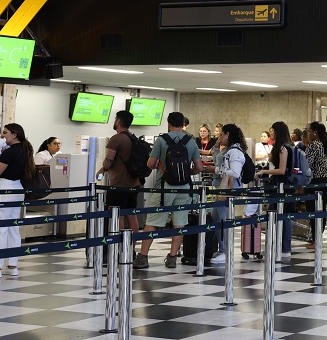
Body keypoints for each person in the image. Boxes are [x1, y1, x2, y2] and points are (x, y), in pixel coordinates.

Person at [135, 111, 202, 270]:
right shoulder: (190, 141)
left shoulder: (162, 140)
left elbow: (150, 164)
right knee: (179, 223)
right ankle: (172, 258)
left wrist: (160, 165)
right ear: (183, 124)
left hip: (163, 188)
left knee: (152, 222)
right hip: (184, 189)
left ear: (169, 124)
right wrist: (187, 173)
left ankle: (143, 257)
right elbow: (199, 167)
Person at [0, 123, 36, 279]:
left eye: (5, 133)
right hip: (18, 189)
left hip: (3, 188)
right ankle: (12, 265)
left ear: (14, 135)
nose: (2, 135)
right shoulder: (26, 151)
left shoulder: (10, 152)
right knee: (13, 227)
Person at [96, 111, 141, 248]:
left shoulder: (116, 139)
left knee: (118, 216)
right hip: (134, 183)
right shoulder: (134, 138)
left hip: (119, 184)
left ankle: (119, 248)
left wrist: (103, 169)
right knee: (132, 216)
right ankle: (131, 248)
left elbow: (109, 160)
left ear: (119, 121)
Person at [257, 121, 296, 260]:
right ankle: (278, 245)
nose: (270, 133)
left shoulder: (283, 148)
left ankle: (284, 247)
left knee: (281, 216)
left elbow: (282, 170)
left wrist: (264, 171)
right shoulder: (286, 146)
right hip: (283, 185)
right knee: (279, 215)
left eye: (272, 130)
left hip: (282, 185)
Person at [211, 123, 247, 264]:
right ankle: (222, 248)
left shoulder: (235, 152)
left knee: (224, 219)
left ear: (228, 135)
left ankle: (225, 250)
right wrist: (216, 146)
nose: (219, 137)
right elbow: (217, 159)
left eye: (221, 135)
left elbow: (235, 172)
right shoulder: (227, 149)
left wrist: (216, 170)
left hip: (228, 189)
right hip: (220, 187)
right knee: (216, 217)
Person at [304, 121, 327, 249]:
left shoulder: (314, 145)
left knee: (313, 210)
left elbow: (307, 164)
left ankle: (316, 240)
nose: (308, 134)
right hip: (326, 180)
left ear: (315, 132)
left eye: (309, 131)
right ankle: (318, 238)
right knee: (322, 209)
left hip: (315, 181)